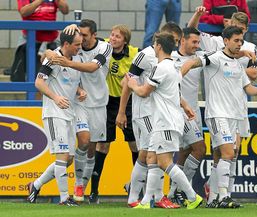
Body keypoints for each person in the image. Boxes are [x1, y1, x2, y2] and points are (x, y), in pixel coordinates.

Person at [181, 26, 257, 208]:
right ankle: (223, 197)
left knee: (222, 155)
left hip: (233, 117)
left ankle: (213, 198)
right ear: (226, 41)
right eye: (236, 40)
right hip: (217, 114)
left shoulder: (238, 64)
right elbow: (192, 63)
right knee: (228, 153)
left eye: (241, 41)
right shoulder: (215, 58)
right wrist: (177, 77)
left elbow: (248, 88)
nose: (239, 44)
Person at [127, 32, 203, 209]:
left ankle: (192, 197)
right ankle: (146, 201)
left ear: (159, 46)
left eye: (155, 44)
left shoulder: (161, 68)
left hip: (166, 121)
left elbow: (144, 92)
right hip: (164, 120)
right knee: (152, 157)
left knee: (164, 162)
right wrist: (184, 105)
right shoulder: (174, 66)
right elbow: (174, 93)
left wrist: (132, 85)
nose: (153, 47)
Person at [116, 22, 183, 208]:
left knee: (148, 154)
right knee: (149, 153)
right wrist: (122, 112)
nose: (175, 44)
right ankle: (149, 196)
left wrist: (183, 105)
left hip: (157, 112)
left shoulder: (169, 58)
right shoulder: (145, 55)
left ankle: (140, 196)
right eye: (174, 40)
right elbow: (127, 82)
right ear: (164, 36)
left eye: (177, 41)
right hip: (143, 111)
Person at [48, 19, 113, 203]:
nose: (82, 40)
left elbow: (93, 68)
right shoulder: (76, 47)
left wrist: (68, 64)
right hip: (79, 104)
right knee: (83, 141)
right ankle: (77, 184)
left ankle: (79, 187)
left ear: (94, 34)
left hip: (99, 104)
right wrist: (67, 29)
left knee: (91, 148)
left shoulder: (104, 48)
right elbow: (54, 51)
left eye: (85, 35)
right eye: (79, 35)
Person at [27, 29, 86, 206]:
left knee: (68, 159)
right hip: (54, 113)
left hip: (69, 114)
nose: (79, 48)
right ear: (66, 44)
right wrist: (56, 97)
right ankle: (64, 198)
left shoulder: (77, 59)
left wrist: (79, 91)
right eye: (77, 45)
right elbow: (38, 82)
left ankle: (35, 185)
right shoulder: (52, 59)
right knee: (62, 155)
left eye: (80, 44)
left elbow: (69, 81)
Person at [88, 24, 140, 204]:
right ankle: (94, 191)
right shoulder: (103, 49)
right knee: (102, 146)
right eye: (111, 35)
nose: (113, 39)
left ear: (125, 40)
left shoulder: (135, 53)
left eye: (117, 36)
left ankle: (135, 186)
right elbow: (87, 40)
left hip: (128, 103)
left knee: (134, 145)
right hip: (107, 102)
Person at [168, 27, 206, 204]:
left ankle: (173, 192)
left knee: (184, 152)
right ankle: (182, 189)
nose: (197, 46)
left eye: (198, 42)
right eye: (194, 42)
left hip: (194, 112)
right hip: (179, 112)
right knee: (200, 149)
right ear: (182, 40)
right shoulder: (170, 58)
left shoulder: (199, 58)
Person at [10, 0, 69, 81]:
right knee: (27, 77)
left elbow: (65, 11)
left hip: (51, 41)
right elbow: (23, 12)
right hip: (31, 41)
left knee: (53, 76)